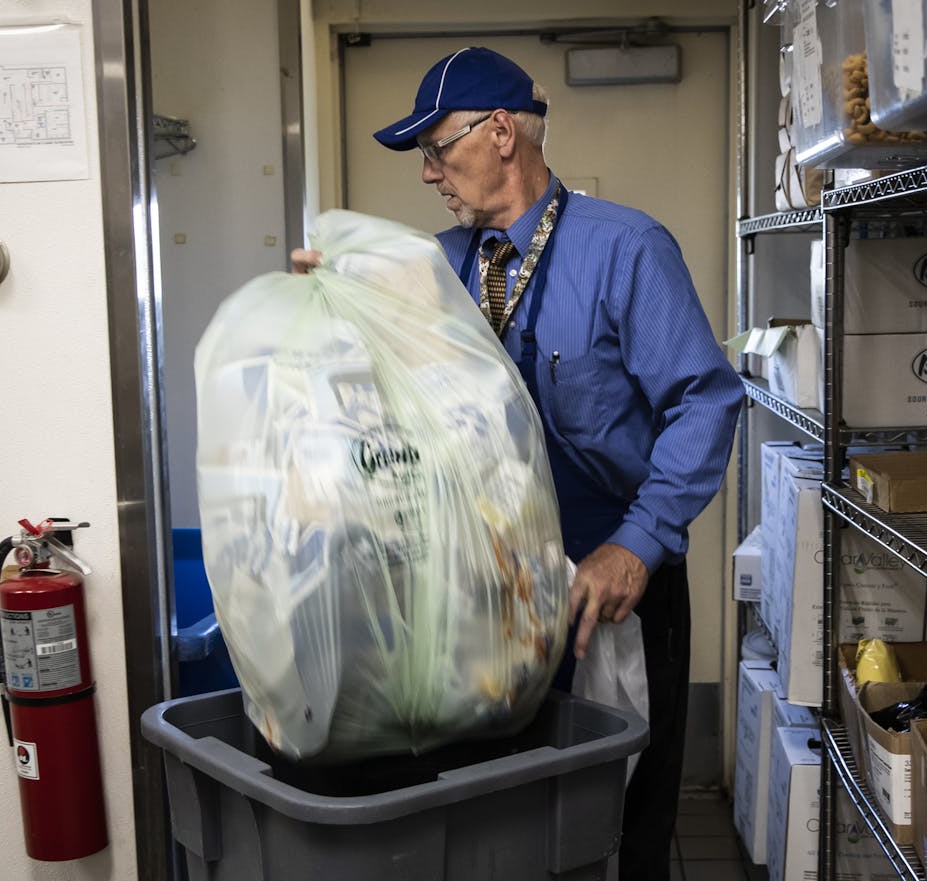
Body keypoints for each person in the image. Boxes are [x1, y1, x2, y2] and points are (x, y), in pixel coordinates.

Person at [295, 46, 744, 881]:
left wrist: (638, 543)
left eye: (438, 148)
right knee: (499, 811)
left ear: (501, 131)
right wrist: (325, 292)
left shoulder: (626, 250)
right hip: (487, 591)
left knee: (617, 812)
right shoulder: (435, 268)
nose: (430, 173)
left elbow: (707, 401)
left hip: (609, 585)